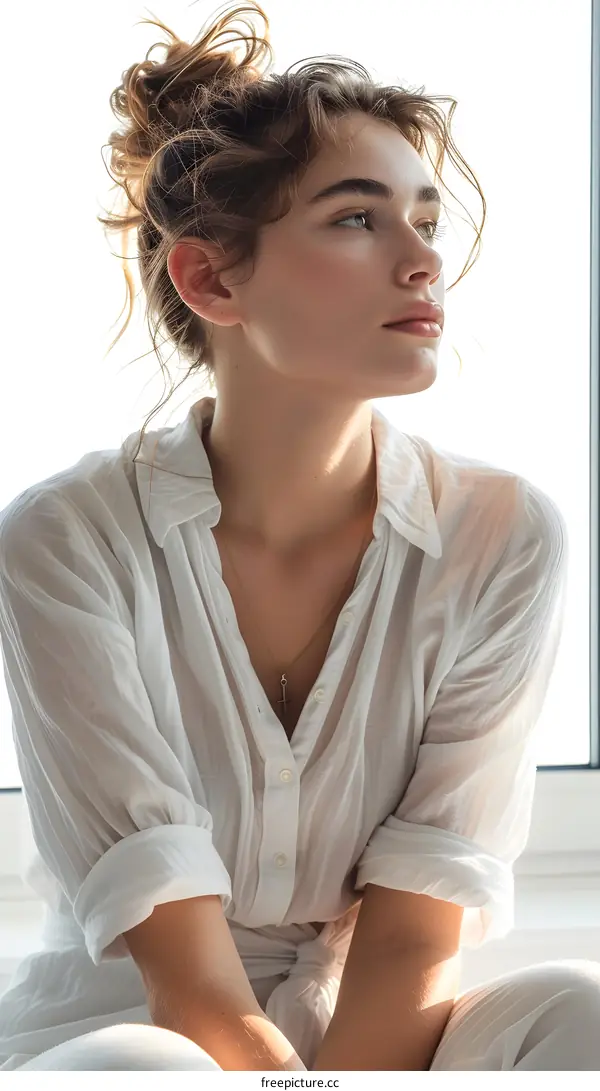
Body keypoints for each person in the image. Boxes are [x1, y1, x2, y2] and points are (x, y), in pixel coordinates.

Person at [0, 0, 598, 1072]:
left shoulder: (503, 537)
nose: (423, 262)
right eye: (359, 218)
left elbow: (415, 938)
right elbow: (185, 982)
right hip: (129, 1027)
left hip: (382, 1029)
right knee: (152, 1071)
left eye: (427, 218)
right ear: (211, 278)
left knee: (575, 1007)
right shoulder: (66, 540)